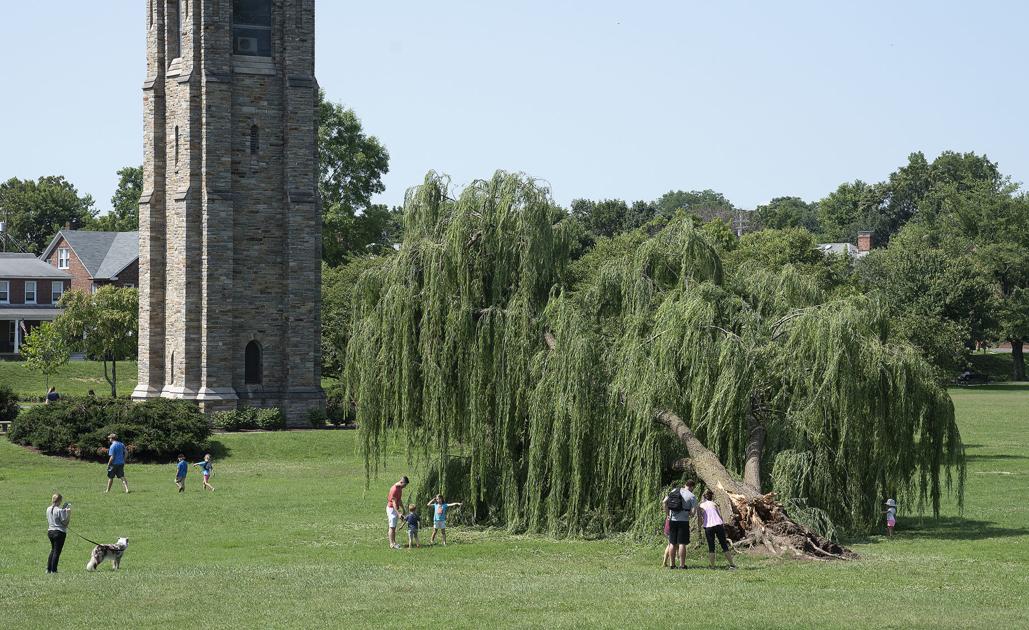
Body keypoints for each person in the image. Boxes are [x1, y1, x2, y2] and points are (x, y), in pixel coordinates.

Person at [662, 479, 697, 569]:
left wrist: (667, 514)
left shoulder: (674, 491)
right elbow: (693, 513)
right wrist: (688, 513)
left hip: (672, 520)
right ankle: (682, 565)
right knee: (682, 543)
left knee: (672, 543)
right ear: (692, 487)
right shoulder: (692, 496)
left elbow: (664, 502)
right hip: (683, 521)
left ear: (685, 484)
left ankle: (672, 565)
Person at [698, 490, 736, 569]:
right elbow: (720, 516)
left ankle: (712, 566)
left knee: (711, 546)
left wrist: (699, 529)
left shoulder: (700, 506)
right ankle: (732, 564)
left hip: (708, 526)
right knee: (724, 545)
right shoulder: (714, 504)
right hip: (718, 525)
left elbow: (700, 519)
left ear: (703, 497)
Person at [46, 493, 71, 573]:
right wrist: (68, 514)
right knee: (57, 552)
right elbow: (65, 523)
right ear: (60, 501)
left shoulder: (48, 509)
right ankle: (54, 570)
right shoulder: (59, 510)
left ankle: (48, 569)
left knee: (53, 550)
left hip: (50, 531)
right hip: (59, 532)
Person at [386, 476, 409, 549]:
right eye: (404, 485)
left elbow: (399, 500)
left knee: (394, 527)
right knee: (392, 527)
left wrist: (403, 509)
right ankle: (391, 544)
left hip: (395, 509)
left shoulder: (400, 488)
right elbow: (394, 503)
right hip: (391, 509)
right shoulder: (394, 489)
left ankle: (394, 542)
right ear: (401, 482)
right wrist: (398, 513)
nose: (405, 487)